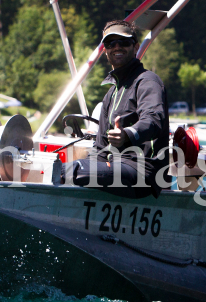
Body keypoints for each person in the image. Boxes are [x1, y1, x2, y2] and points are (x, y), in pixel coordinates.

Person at [63, 20, 169, 192]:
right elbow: (100, 149)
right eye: (111, 43)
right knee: (61, 168)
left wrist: (127, 134)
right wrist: (86, 165)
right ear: (105, 50)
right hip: (116, 170)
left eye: (124, 42)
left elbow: (153, 119)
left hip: (143, 172)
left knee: (68, 171)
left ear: (135, 47)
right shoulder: (111, 94)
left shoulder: (148, 81)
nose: (117, 47)